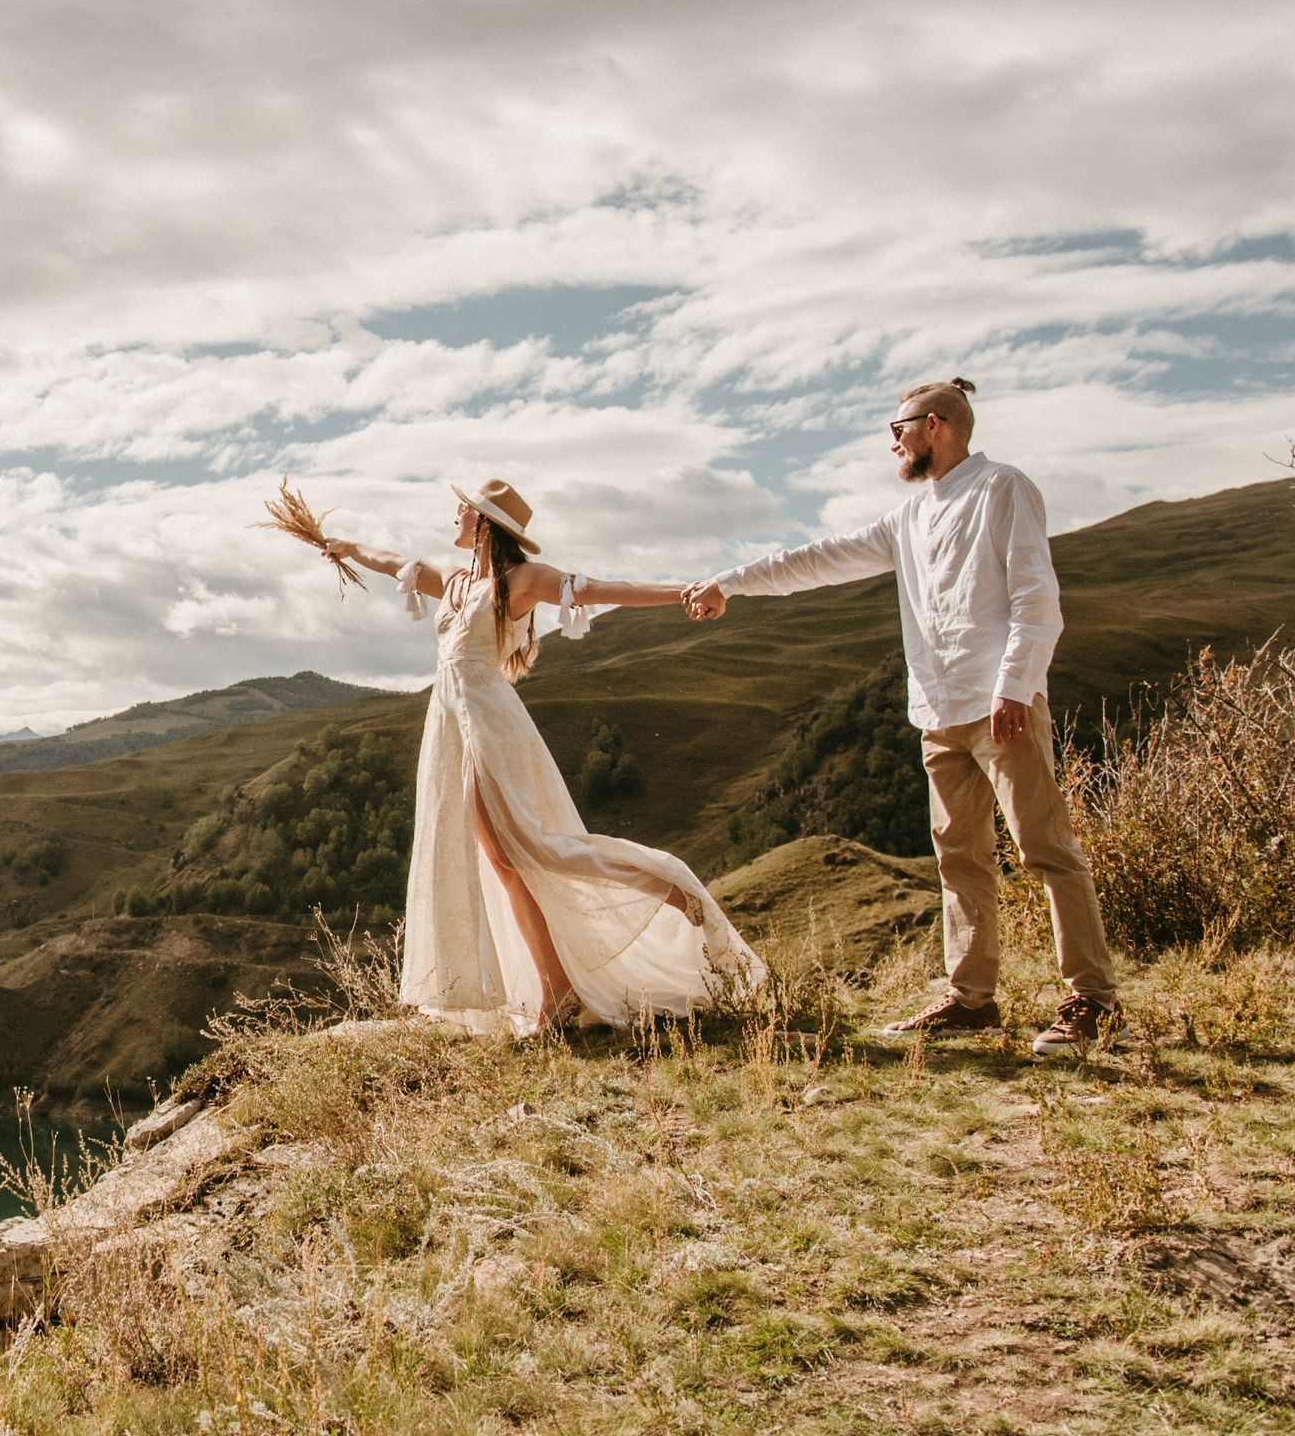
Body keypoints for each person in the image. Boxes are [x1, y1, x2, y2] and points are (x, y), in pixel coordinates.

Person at [679, 378, 1124, 1053]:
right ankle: (972, 999)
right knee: (960, 858)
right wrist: (731, 583)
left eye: (899, 427)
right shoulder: (908, 516)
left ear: (936, 424)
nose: (892, 440)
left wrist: (1015, 685)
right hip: (939, 711)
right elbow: (817, 559)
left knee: (1046, 849)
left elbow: (1038, 596)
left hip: (1002, 704)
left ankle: (1094, 999)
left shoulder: (1003, 489)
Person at [327, 480, 764, 1032]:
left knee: (531, 850)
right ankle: (556, 992)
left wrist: (684, 591)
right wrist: (344, 547)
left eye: (462, 511)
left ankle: (666, 886)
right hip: (452, 726)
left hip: (490, 723)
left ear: (485, 523)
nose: (454, 517)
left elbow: (602, 589)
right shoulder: (458, 582)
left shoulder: (521, 581)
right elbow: (393, 561)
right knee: (506, 864)